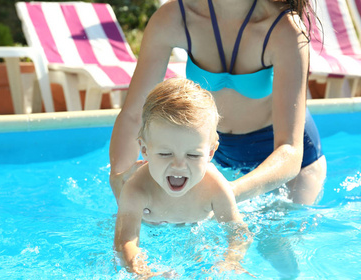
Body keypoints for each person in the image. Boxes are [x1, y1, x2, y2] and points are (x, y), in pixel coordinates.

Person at [110, 0, 327, 206]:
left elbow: (289, 149)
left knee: (277, 243)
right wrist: (120, 181)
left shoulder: (284, 29)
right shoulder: (176, 17)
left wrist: (226, 195)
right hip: (212, 151)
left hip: (287, 163)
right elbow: (134, 115)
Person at [113, 78, 252, 280]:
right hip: (152, 228)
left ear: (211, 152)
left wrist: (231, 260)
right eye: (165, 154)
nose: (179, 166)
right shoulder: (137, 189)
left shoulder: (215, 187)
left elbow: (238, 232)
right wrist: (142, 271)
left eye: (193, 156)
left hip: (199, 229)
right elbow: (125, 241)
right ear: (144, 150)